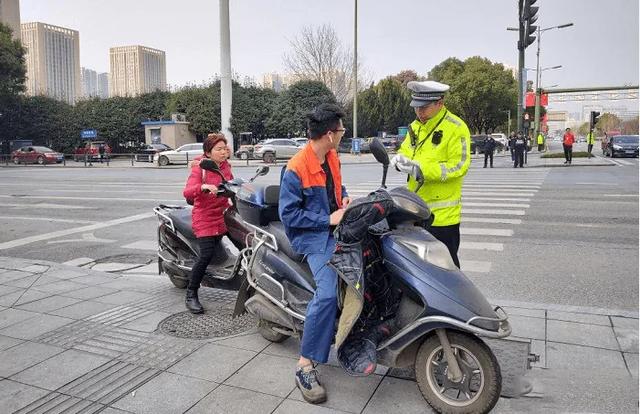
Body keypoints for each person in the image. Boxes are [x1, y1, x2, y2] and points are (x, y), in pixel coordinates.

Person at [279, 103, 351, 404]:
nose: (343, 133)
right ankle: (305, 364)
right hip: (311, 238)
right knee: (326, 293)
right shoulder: (296, 167)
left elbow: (335, 187)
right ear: (329, 134)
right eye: (341, 129)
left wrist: (344, 199)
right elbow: (289, 216)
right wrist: (327, 219)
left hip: (334, 229)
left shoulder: (331, 156)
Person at [390, 80, 471, 269]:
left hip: (442, 216)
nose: (419, 112)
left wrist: (421, 169)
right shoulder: (415, 126)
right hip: (413, 211)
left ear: (440, 103)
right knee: (419, 267)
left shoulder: (456, 127)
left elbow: (459, 166)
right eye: (416, 107)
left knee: (447, 269)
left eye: (424, 108)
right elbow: (406, 151)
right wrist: (400, 161)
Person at [182, 134, 233, 313]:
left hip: (223, 214)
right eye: (218, 149)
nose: (223, 152)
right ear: (208, 153)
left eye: (224, 149)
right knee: (206, 255)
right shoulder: (200, 169)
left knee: (247, 241)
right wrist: (202, 187)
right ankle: (191, 293)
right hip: (204, 217)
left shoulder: (226, 166)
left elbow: (231, 185)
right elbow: (187, 192)